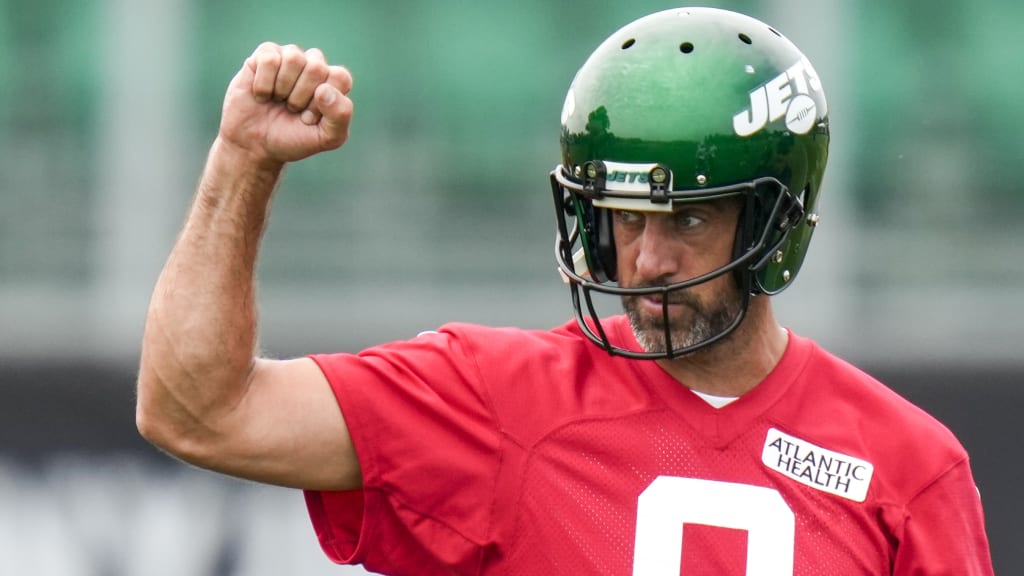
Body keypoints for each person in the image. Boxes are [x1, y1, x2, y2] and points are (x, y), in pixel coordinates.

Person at [136, 7, 994, 575]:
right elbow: (197, 411)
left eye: (688, 219)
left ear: (773, 220)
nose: (646, 258)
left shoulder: (908, 471)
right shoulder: (493, 397)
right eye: (621, 216)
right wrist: (242, 162)